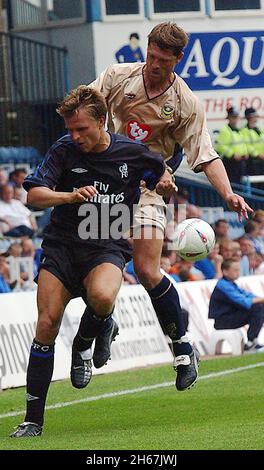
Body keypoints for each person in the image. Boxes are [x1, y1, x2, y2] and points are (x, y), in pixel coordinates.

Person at [88, 22, 252, 391]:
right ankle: (104, 321)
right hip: (106, 182)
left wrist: (227, 194)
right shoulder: (117, 77)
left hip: (148, 186)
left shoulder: (184, 103)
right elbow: (87, 108)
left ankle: (181, 347)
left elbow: (205, 155)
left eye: (163, 60)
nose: (153, 64)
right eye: (150, 55)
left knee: (147, 270)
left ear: (178, 59)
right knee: (95, 267)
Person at [10, 86, 175, 438]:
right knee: (46, 324)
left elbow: (158, 172)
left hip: (107, 246)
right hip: (62, 248)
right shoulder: (64, 151)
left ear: (102, 122)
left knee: (102, 297)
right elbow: (34, 195)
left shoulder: (132, 153)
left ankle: (87, 341)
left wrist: (163, 181)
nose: (75, 136)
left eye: (81, 128)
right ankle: (32, 420)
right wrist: (69, 195)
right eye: (70, 129)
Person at [209, 259, 264, 353]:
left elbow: (247, 295)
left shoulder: (231, 284)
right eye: (235, 270)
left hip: (229, 317)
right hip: (222, 321)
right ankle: (250, 343)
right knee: (257, 308)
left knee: (259, 307)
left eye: (238, 269)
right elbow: (243, 301)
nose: (238, 272)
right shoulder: (223, 285)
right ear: (225, 271)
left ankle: (253, 340)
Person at [214, 107, 248, 184]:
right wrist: (232, 154)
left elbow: (242, 144)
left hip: (239, 162)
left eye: (236, 117)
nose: (235, 119)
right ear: (229, 118)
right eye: (233, 117)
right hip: (230, 162)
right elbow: (220, 146)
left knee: (240, 183)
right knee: (233, 183)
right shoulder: (225, 130)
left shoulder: (238, 131)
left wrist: (245, 153)